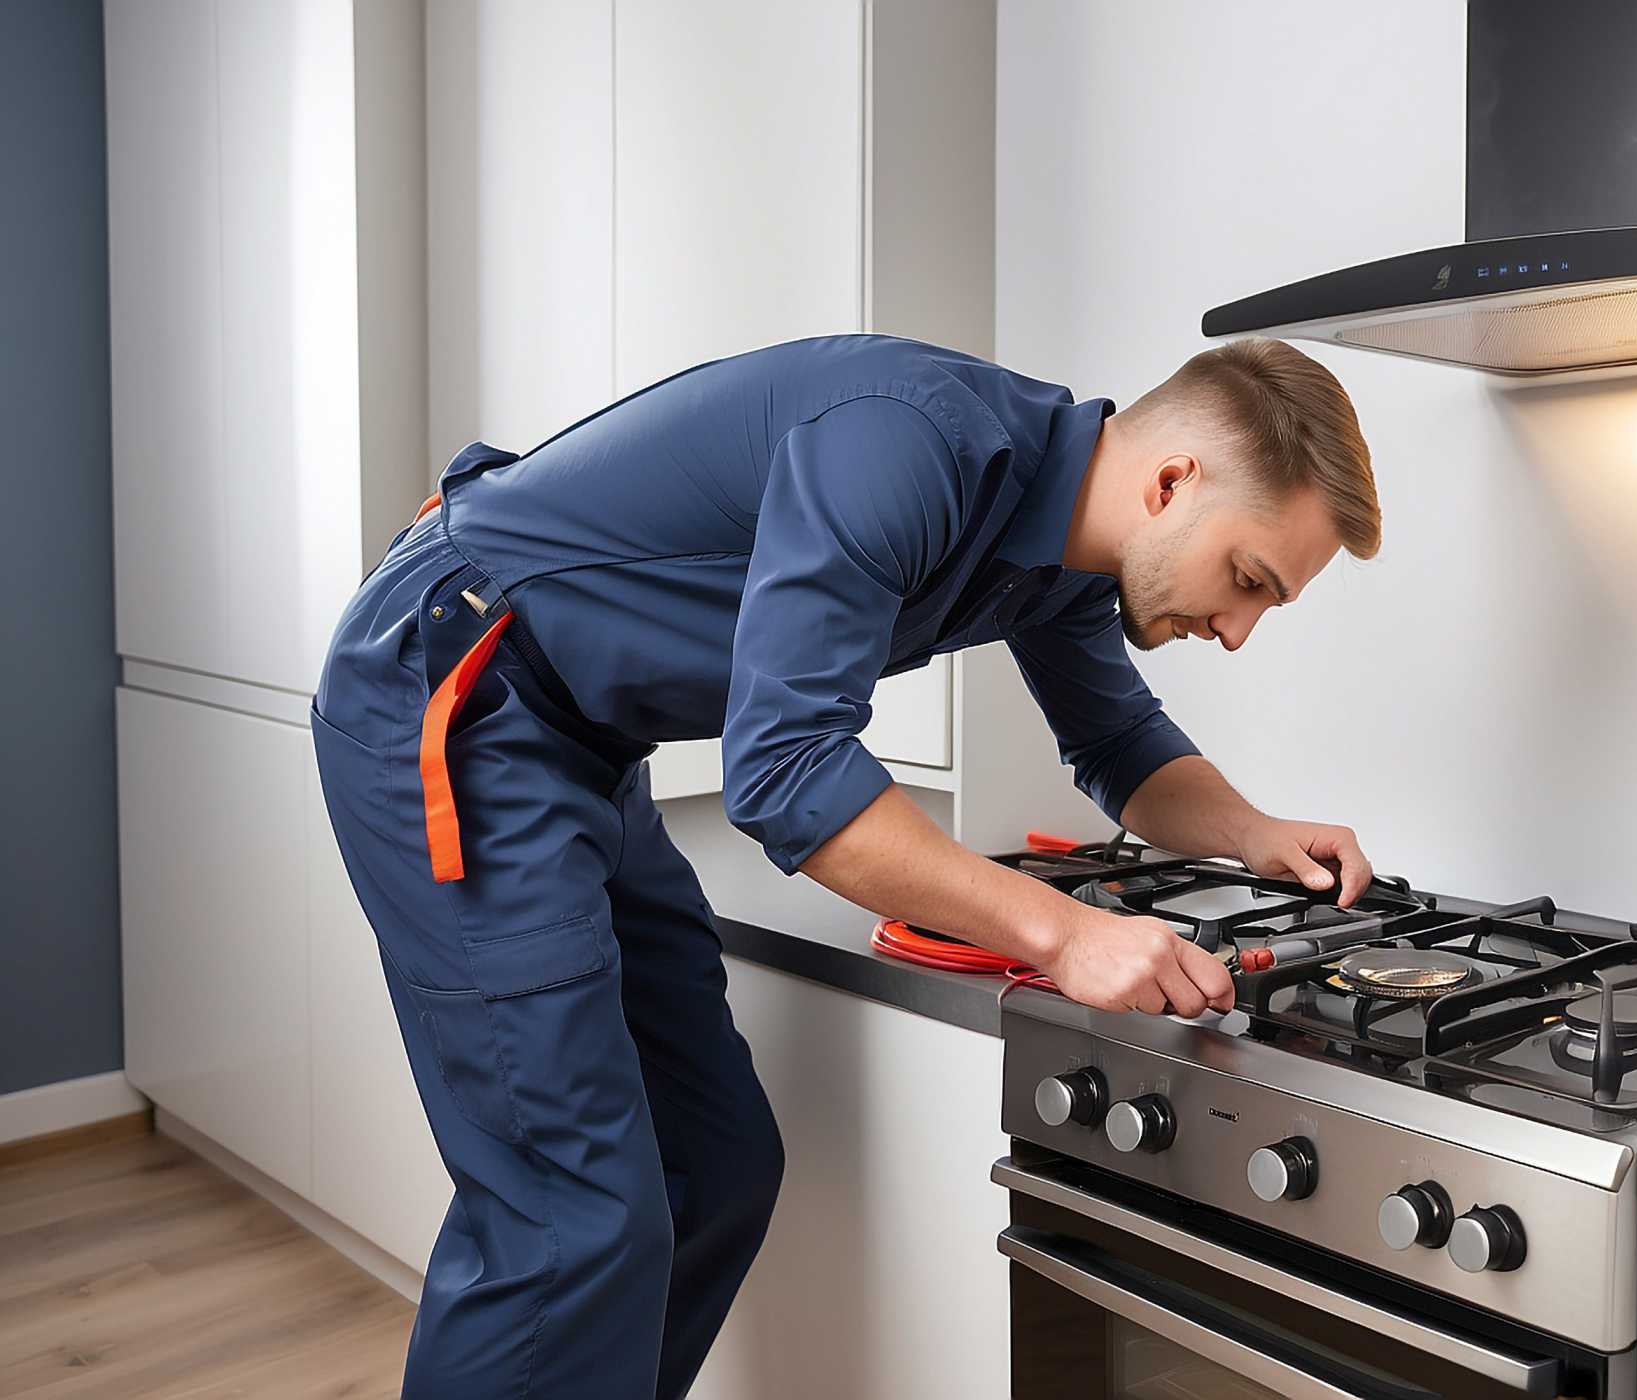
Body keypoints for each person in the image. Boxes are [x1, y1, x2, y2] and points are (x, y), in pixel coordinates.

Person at [310, 333, 1381, 1398]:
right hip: (455, 681)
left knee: (714, 1164)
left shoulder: (1060, 556)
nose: (1238, 629)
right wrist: (1063, 930)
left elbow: (1118, 746)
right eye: (1249, 578)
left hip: (580, 739)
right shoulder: (908, 442)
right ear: (1171, 482)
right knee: (567, 1212)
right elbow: (781, 767)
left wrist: (1256, 832)